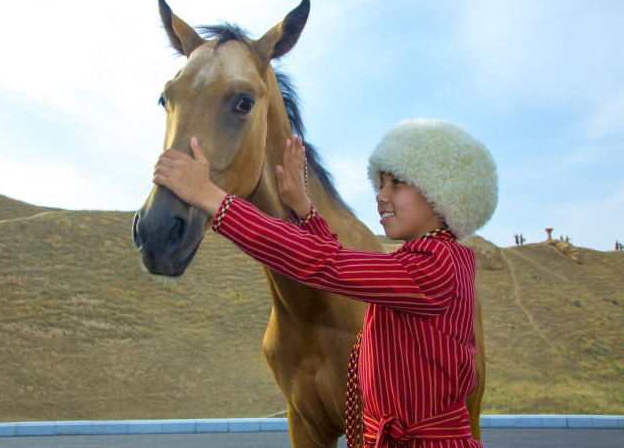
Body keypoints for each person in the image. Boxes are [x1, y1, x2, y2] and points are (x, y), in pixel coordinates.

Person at [153, 118, 498, 447]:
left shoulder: (437, 269)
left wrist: (213, 200)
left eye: (397, 183)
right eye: (380, 184)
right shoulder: (417, 264)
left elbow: (328, 265)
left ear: (442, 193)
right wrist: (306, 211)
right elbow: (341, 266)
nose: (381, 195)